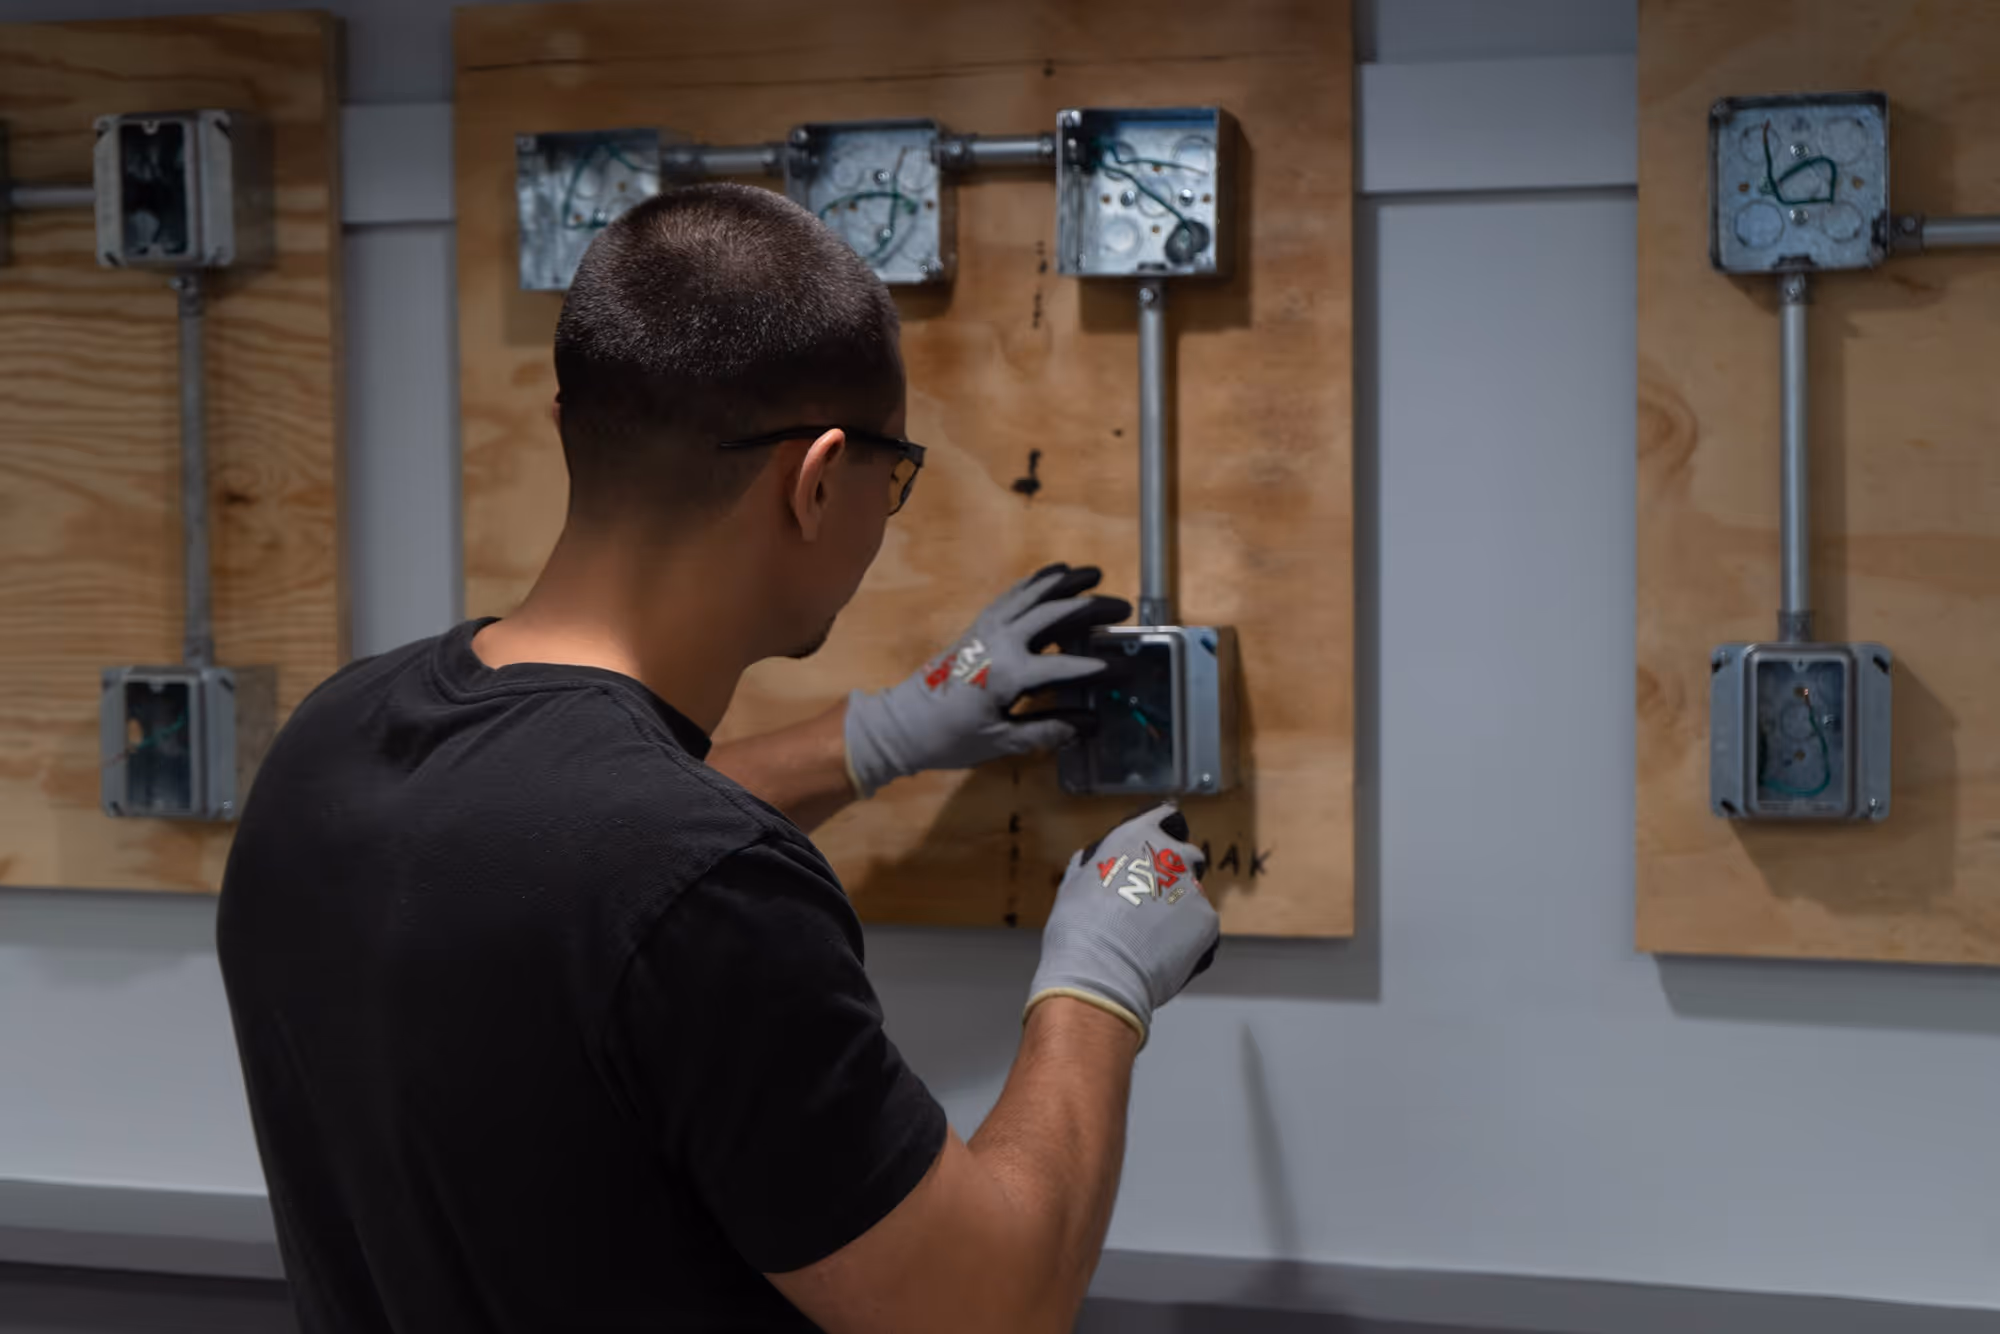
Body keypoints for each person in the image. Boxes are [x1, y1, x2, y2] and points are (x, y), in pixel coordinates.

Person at [217, 182, 1220, 1334]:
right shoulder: (697, 884)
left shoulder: (330, 742)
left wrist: (886, 731)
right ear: (813, 480)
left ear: (565, 424)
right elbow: (987, 1308)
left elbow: (570, 859)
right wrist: (1096, 983)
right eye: (891, 479)